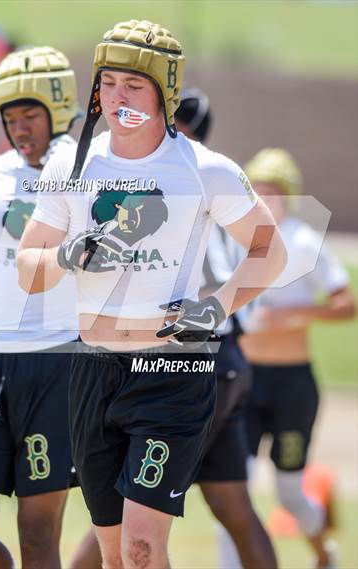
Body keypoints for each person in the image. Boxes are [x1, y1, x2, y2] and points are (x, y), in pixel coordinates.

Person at [17, 20, 287, 569]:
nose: (118, 96)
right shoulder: (71, 166)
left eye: (133, 85)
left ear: (164, 92)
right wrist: (67, 257)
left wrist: (216, 307)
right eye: (109, 82)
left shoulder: (204, 169)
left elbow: (270, 251)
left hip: (173, 372)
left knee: (142, 547)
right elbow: (28, 266)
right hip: (92, 369)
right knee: (115, 554)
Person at [0, 46, 100, 569]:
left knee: (37, 535)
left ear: (58, 111)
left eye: (31, 114)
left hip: (58, 363)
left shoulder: (88, 173)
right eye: (10, 117)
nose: (19, 127)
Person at [220, 148, 355, 569]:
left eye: (271, 192)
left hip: (293, 384)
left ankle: (322, 552)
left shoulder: (304, 241)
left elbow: (345, 303)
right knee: (230, 487)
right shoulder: (232, 239)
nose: (263, 200)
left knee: (290, 494)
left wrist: (292, 315)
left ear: (288, 196)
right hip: (244, 379)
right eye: (255, 191)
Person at [174, 88, 278, 568]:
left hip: (197, 357)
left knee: (131, 497)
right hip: (230, 357)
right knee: (234, 506)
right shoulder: (219, 181)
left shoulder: (181, 178)